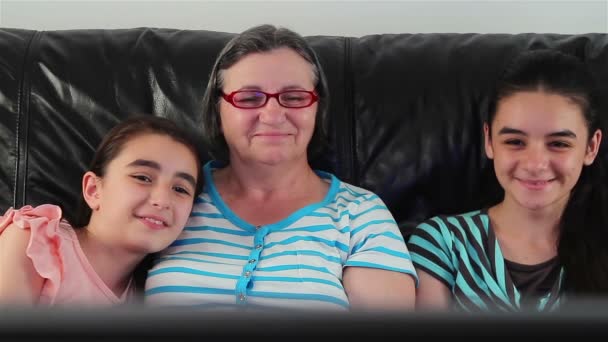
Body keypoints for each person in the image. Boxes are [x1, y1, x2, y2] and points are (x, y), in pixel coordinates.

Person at [144, 24, 418, 312]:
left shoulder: (361, 214)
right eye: (249, 98)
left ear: (317, 108)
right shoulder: (174, 194)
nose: (273, 116)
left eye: (295, 97)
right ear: (217, 110)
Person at [408, 49, 608, 312]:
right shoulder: (443, 243)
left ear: (591, 147)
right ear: (489, 141)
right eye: (515, 142)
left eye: (558, 143)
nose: (535, 164)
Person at [0, 116, 204, 306]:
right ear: (93, 190)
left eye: (180, 189)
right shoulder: (34, 242)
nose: (162, 201)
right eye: (142, 177)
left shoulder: (150, 301)